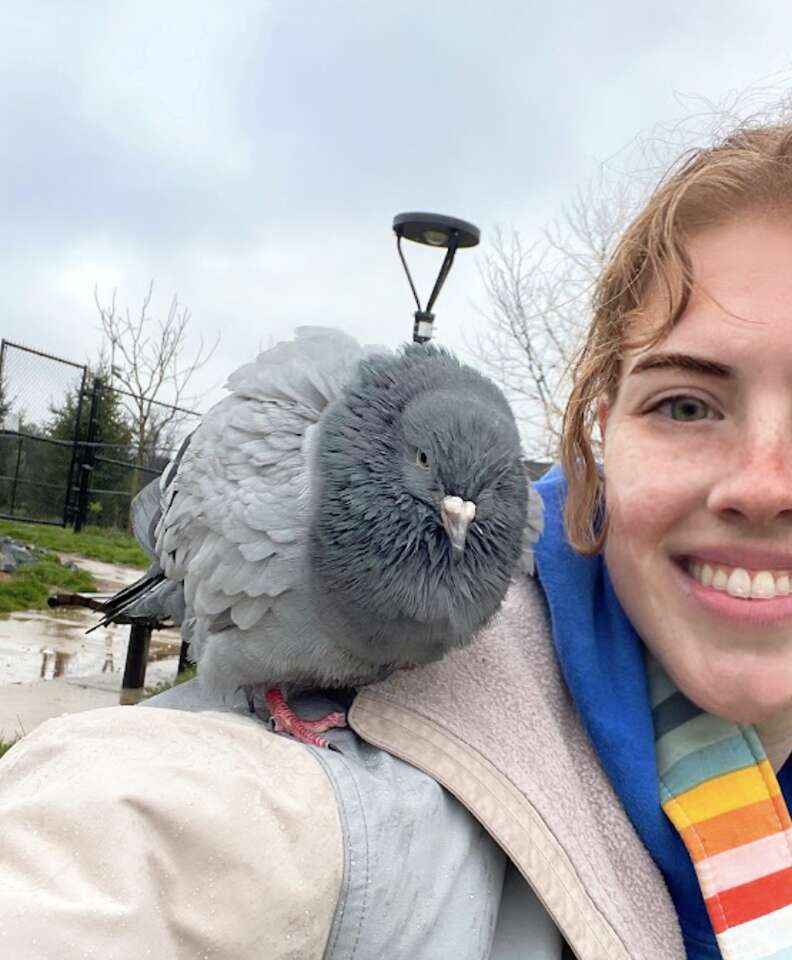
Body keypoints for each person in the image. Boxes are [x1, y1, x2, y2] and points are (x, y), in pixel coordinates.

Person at [2, 121, 792, 960]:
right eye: (685, 404)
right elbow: (137, 848)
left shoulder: (494, 528)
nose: (763, 486)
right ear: (601, 431)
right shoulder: (383, 799)